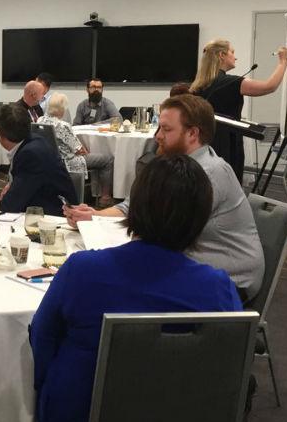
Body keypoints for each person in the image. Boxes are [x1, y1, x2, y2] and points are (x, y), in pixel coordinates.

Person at [30, 153, 242, 422]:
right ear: (201, 217)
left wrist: (45, 389)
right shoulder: (218, 288)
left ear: (135, 207)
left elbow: (42, 339)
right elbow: (227, 364)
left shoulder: (83, 271)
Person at [65, 94, 264, 301]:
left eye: (166, 129)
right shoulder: (174, 167)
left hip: (226, 284)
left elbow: (159, 235)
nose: (157, 136)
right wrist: (94, 216)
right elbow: (131, 208)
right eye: (159, 128)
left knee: (103, 289)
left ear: (193, 134)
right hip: (190, 268)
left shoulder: (208, 174)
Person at [191, 39, 287, 182]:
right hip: (227, 143)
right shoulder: (230, 83)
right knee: (227, 182)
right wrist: (283, 62)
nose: (235, 56)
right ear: (221, 55)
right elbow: (270, 86)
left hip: (203, 143)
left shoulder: (197, 85)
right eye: (232, 52)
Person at [0, 102, 76, 216]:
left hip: (55, 217)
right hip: (41, 206)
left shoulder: (30, 155)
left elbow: (11, 205)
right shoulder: (34, 140)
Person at [39, 93, 114, 204]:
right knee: (107, 159)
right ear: (62, 108)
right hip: (69, 161)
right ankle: (105, 198)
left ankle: (94, 193)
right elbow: (79, 150)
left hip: (50, 160)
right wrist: (85, 150)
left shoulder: (41, 120)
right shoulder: (63, 125)